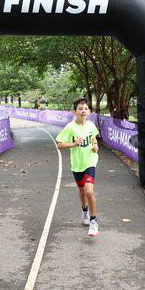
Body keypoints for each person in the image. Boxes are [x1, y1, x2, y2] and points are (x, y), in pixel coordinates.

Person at [56, 98, 101, 236]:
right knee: (82, 191)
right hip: (77, 164)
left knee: (89, 191)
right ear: (74, 112)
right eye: (80, 109)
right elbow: (59, 145)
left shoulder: (91, 126)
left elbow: (94, 139)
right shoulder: (70, 127)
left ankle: (93, 221)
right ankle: (85, 211)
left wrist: (95, 146)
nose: (83, 111)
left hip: (90, 162)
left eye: (86, 109)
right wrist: (74, 144)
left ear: (89, 112)